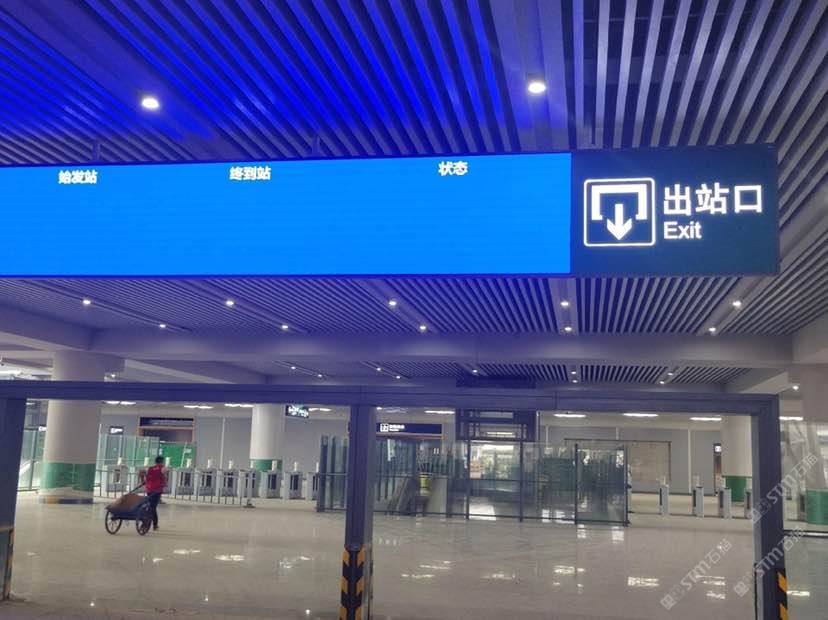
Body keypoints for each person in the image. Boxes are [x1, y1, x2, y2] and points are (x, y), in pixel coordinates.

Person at [144, 456, 166, 531]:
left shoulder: (150, 468)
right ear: (161, 461)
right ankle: (154, 525)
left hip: (149, 489)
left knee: (150, 505)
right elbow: (164, 477)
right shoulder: (162, 468)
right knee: (153, 507)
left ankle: (148, 522)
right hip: (157, 490)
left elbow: (146, 478)